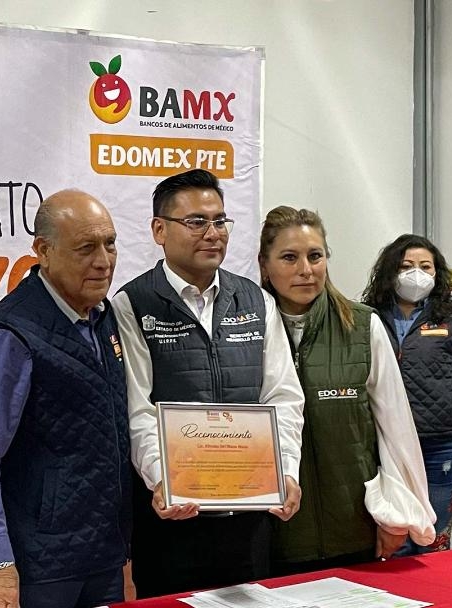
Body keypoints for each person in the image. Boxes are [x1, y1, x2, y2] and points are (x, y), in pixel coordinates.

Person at [109, 169, 305, 597]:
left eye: (220, 221)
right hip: (173, 518)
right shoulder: (132, 303)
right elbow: (138, 408)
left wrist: (286, 471)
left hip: (250, 515)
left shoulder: (256, 300)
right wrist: (161, 479)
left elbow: (283, 397)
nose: (213, 233)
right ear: (159, 230)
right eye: (196, 222)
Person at [0, 190, 131, 608]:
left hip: (103, 559)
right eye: (86, 248)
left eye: (110, 244)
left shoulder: (104, 318)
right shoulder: (11, 336)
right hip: (37, 568)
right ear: (44, 251)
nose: (104, 260)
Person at [258, 206, 436, 574]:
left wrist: (395, 516)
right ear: (264, 264)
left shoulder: (362, 325)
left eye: (315, 256)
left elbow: (396, 429)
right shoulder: (245, 330)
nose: (306, 269)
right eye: (289, 258)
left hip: (353, 528)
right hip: (274, 532)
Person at [363, 234, 452, 554]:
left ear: (437, 273)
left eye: (425, 266)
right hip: (385, 445)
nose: (416, 274)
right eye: (406, 266)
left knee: (433, 533)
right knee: (393, 534)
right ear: (390, 271)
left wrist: (447, 410)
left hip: (441, 444)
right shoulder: (368, 318)